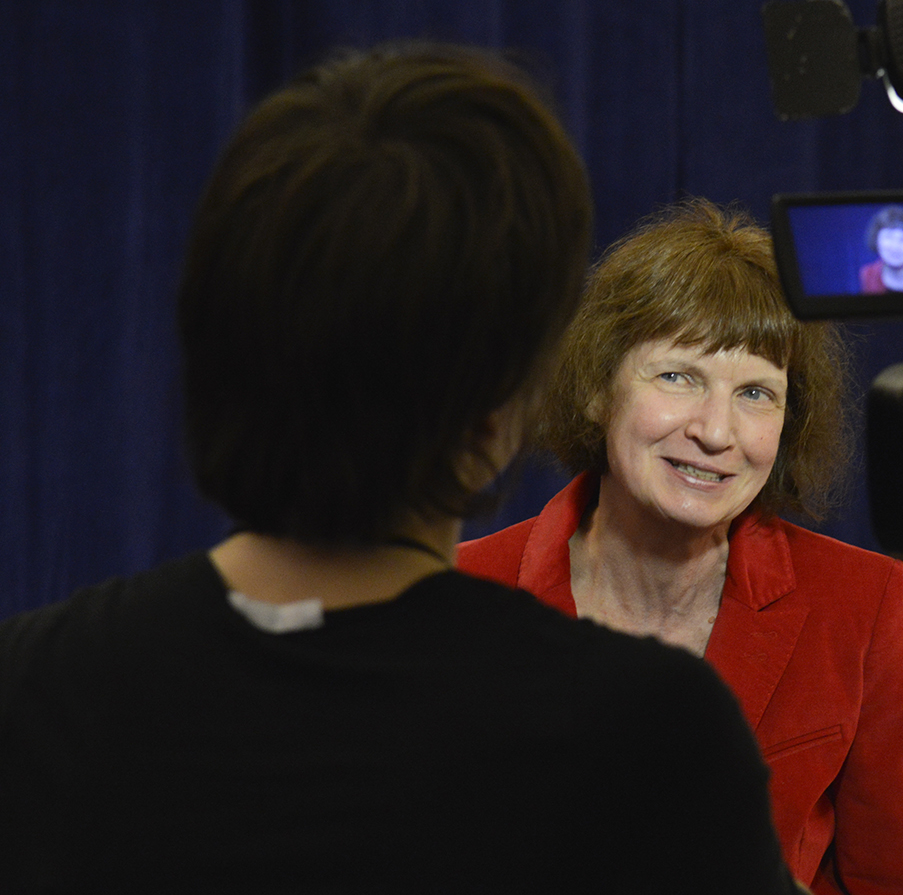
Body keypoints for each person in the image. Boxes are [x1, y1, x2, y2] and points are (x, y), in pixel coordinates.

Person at [0, 44, 798, 894]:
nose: (715, 429)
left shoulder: (33, 686)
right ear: (510, 396)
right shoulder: (652, 733)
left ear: (211, 344)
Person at [458, 198, 903, 895]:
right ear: (599, 390)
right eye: (678, 376)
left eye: (756, 393)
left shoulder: (864, 605)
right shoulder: (460, 595)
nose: (717, 432)